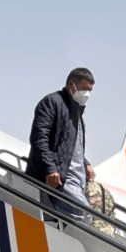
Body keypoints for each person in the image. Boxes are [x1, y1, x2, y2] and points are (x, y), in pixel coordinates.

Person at [27, 68, 96, 211]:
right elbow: (39, 139)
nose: (87, 95)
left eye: (90, 91)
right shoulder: (52, 103)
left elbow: (69, 146)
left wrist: (85, 163)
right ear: (71, 85)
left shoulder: (76, 112)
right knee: (82, 215)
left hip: (77, 181)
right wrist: (50, 168)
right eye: (84, 89)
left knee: (81, 218)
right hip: (60, 179)